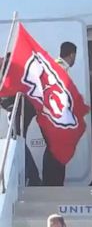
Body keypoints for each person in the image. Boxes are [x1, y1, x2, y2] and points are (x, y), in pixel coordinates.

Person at [0, 53, 41, 186]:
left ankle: (33, 177)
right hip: (22, 105)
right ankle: (32, 177)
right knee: (17, 140)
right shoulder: (6, 62)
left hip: (20, 106)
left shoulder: (4, 64)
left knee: (16, 141)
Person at [42, 41, 77, 186]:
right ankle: (53, 183)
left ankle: (52, 182)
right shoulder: (60, 68)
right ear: (72, 54)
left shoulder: (56, 65)